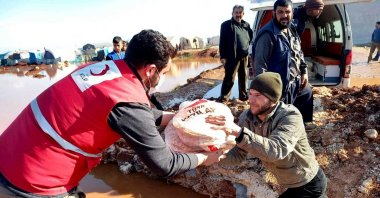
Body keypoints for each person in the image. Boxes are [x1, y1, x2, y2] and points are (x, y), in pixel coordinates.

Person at [0, 29, 221, 198]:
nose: (163, 77)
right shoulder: (127, 101)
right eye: (164, 72)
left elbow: (131, 116)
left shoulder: (103, 72)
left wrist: (175, 117)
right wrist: (204, 158)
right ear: (151, 70)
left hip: (8, 153)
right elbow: (164, 164)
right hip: (32, 181)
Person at [206, 72, 327, 197]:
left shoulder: (290, 116)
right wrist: (212, 156)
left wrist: (238, 132)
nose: (251, 100)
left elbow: (276, 150)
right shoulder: (247, 118)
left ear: (272, 98)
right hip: (292, 184)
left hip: (310, 183)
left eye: (257, 95)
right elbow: (238, 154)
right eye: (250, 93)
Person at [251, 0, 314, 127]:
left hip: (294, 81)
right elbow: (260, 66)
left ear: (292, 13)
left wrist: (304, 72)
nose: (284, 15)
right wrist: (265, 93)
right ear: (274, 13)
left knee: (307, 93)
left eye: (287, 12)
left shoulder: (292, 30)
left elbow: (299, 52)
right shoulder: (268, 34)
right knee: (279, 117)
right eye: (280, 12)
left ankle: (302, 125)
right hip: (279, 86)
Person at [218, 5, 253, 104]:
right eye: (236, 12)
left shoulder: (246, 25)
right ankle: (224, 99)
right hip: (231, 57)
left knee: (243, 77)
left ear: (243, 14)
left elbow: (250, 37)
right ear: (232, 13)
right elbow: (222, 41)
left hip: (244, 56)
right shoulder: (226, 25)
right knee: (230, 78)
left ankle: (243, 97)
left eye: (240, 12)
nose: (238, 14)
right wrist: (223, 56)